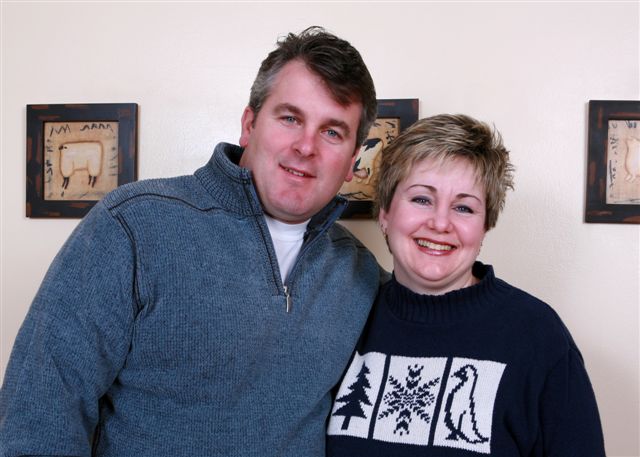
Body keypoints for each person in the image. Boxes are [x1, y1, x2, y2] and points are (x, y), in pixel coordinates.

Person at [0, 26, 382, 456]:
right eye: (290, 118)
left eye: (332, 132)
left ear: (352, 160)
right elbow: (38, 414)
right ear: (249, 125)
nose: (306, 146)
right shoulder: (133, 226)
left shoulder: (361, 272)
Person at [326, 114, 606, 456]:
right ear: (385, 213)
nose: (440, 223)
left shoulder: (538, 336)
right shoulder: (347, 316)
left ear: (485, 226)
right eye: (421, 199)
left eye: (463, 207)